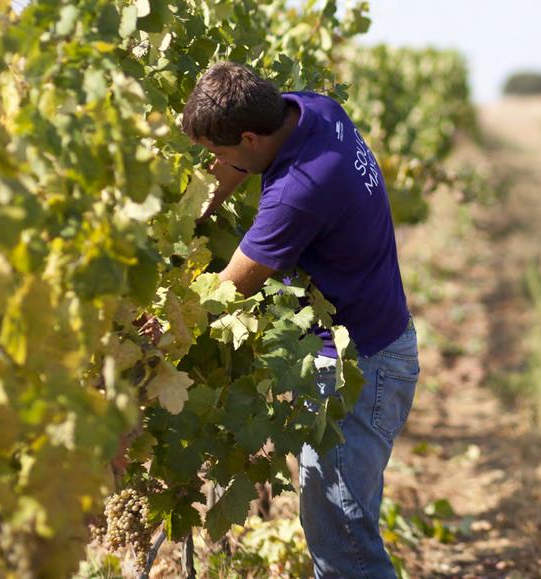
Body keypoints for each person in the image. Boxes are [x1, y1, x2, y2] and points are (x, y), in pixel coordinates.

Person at [181, 61, 418, 578]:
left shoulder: (301, 190)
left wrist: (166, 315)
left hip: (365, 371)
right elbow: (238, 165)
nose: (215, 164)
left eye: (218, 153)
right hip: (360, 347)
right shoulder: (309, 108)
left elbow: (230, 287)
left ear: (249, 135)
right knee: (346, 524)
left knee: (344, 546)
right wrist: (196, 211)